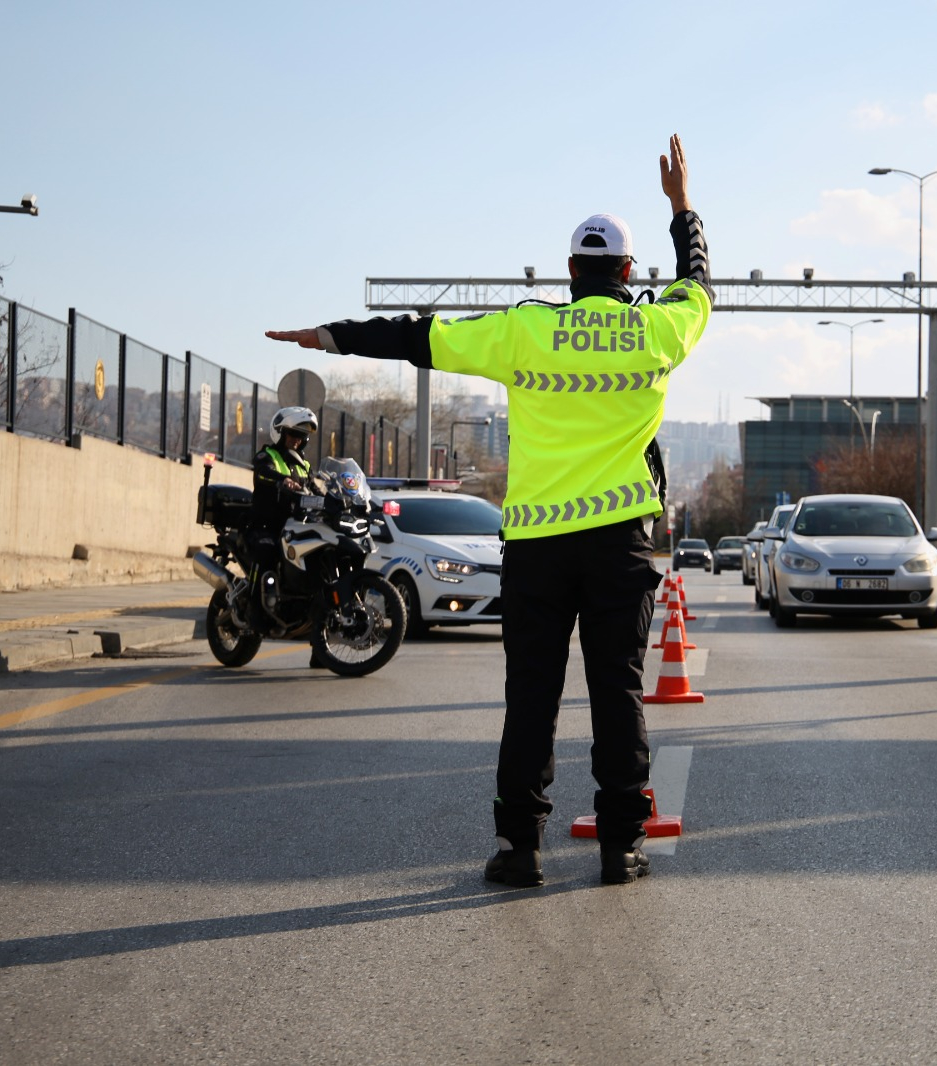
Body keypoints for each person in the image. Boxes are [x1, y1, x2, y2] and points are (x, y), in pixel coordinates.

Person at [266, 134, 711, 886]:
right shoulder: (658, 328)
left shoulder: (525, 327)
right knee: (619, 691)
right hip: (619, 545)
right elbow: (699, 283)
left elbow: (419, 337)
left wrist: (328, 337)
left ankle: (519, 849)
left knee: (530, 696)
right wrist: (682, 206)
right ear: (630, 274)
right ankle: (622, 846)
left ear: (571, 272)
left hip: (538, 546)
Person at [249, 406, 318, 629]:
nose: (297, 440)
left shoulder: (304, 465)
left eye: (301, 436)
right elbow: (262, 472)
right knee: (265, 553)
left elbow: (317, 489)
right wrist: (282, 480)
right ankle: (254, 611)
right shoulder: (266, 455)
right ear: (280, 432)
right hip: (267, 525)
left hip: (296, 527)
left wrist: (339, 500)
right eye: (293, 434)